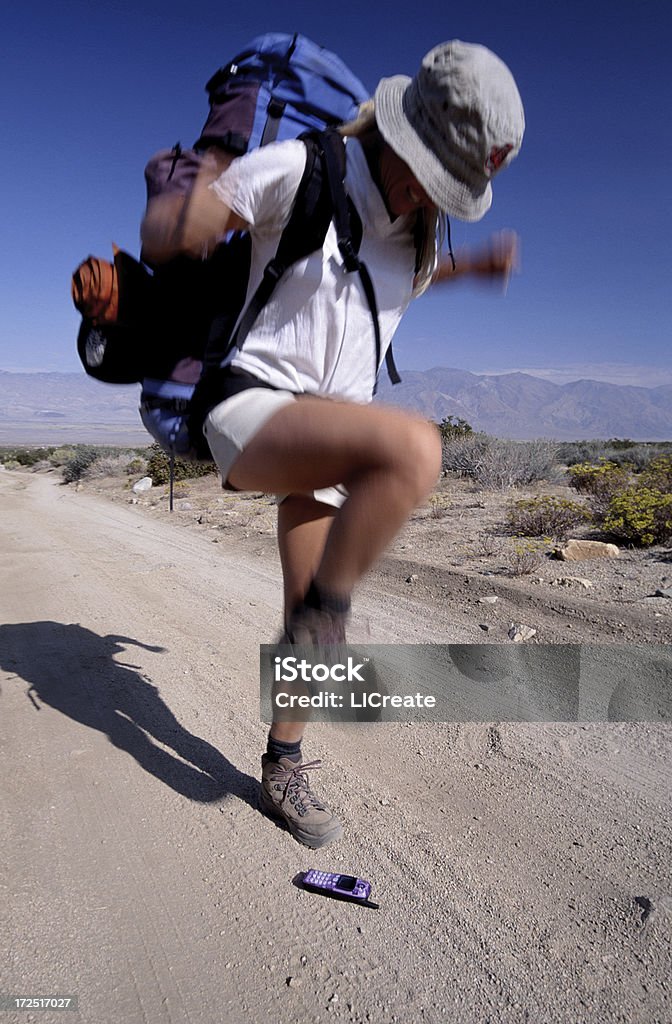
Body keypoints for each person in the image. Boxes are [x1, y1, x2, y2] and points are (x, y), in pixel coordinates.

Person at [141, 39, 525, 849]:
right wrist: (183, 191)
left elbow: (401, 283)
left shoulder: (418, 237)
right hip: (252, 411)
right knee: (414, 451)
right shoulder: (301, 168)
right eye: (431, 174)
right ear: (397, 137)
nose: (433, 196)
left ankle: (284, 759)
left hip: (329, 434)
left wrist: (475, 266)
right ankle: (330, 613)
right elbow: (176, 235)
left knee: (303, 616)